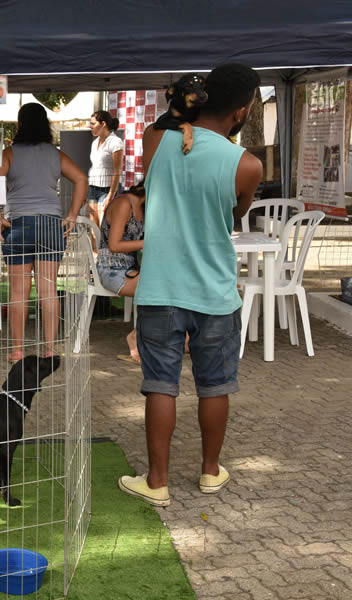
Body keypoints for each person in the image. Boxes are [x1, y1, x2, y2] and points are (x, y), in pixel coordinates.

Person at [118, 63, 263, 507]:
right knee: (215, 385)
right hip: (214, 290)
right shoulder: (247, 165)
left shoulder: (156, 139)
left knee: (160, 384)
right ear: (241, 112)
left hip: (160, 285)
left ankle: (157, 481)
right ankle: (210, 471)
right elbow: (236, 214)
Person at [0, 103, 88, 361]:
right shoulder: (56, 154)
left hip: (18, 223)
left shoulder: (9, 153)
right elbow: (81, 179)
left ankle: (17, 350)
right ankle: (50, 350)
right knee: (48, 289)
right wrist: (72, 214)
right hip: (51, 224)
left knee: (18, 291)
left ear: (20, 123)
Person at [95, 182, 145, 362]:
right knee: (160, 288)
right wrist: (149, 242)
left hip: (130, 268)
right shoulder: (124, 203)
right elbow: (114, 246)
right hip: (111, 270)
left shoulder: (144, 208)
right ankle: (136, 336)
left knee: (175, 282)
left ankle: (183, 338)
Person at [88, 110, 124, 226]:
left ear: (103, 124)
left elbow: (117, 170)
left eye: (93, 124)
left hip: (108, 189)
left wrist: (110, 195)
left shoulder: (115, 142)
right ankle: (94, 240)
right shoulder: (94, 143)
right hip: (93, 187)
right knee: (93, 226)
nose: (90, 126)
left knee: (104, 225)